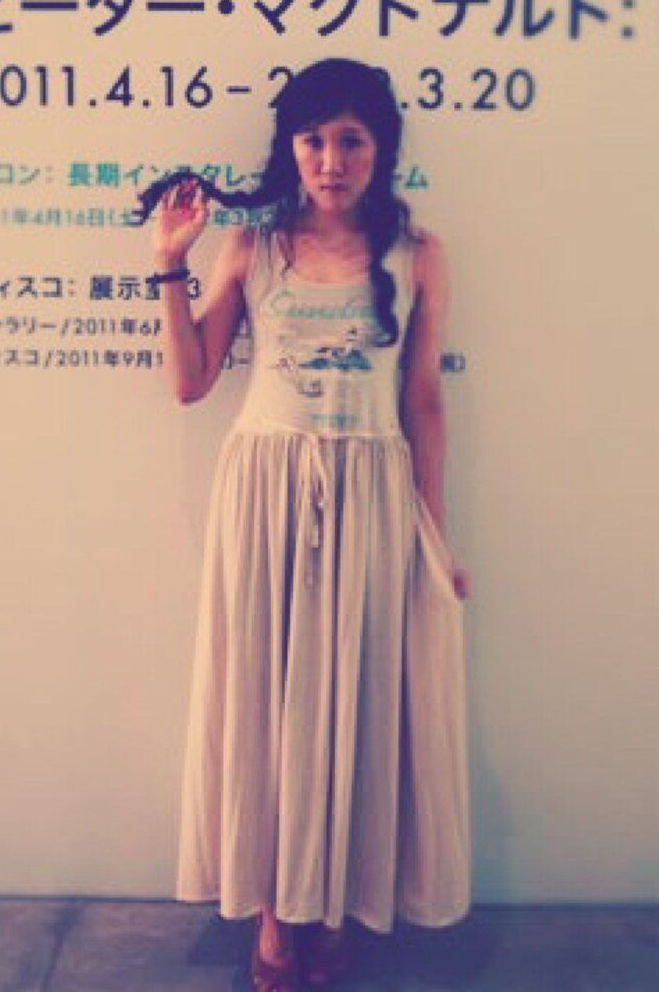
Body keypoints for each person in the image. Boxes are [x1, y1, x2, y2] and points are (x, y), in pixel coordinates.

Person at [136, 58, 471, 990]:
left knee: (355, 705)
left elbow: (423, 401)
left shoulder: (420, 253)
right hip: (265, 494)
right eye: (314, 140)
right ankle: (275, 913)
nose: (331, 160)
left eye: (351, 140)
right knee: (265, 706)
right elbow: (190, 381)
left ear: (381, 149)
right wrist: (170, 262)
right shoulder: (253, 248)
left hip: (372, 492)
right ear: (291, 148)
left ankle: (333, 904)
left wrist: (434, 536)